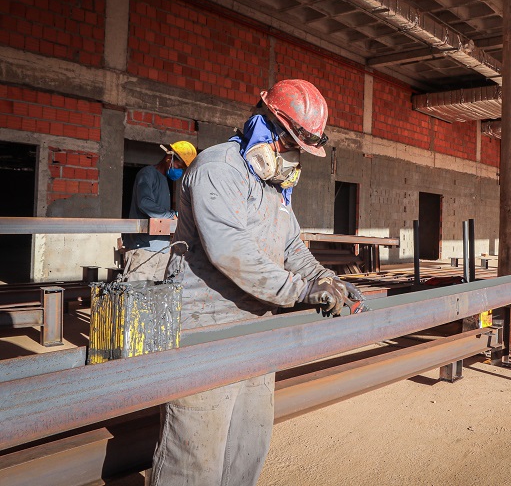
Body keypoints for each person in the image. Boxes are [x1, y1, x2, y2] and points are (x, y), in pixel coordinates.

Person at [150, 79, 363, 486]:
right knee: (194, 461)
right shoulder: (217, 169)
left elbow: (293, 248)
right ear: (268, 126)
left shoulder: (273, 188)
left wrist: (326, 279)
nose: (293, 155)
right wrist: (300, 292)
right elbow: (230, 250)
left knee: (247, 451)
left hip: (258, 332)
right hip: (205, 336)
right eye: (291, 144)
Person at [122, 140, 197, 281]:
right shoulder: (147, 174)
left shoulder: (164, 181)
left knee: (156, 296)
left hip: (162, 250)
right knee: (136, 295)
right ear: (169, 157)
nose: (178, 170)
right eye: (178, 165)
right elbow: (144, 203)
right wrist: (172, 215)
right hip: (144, 249)